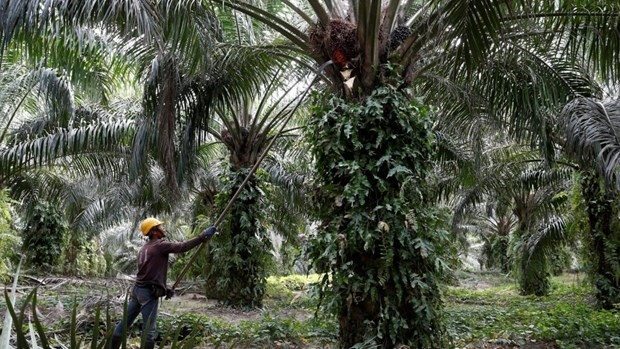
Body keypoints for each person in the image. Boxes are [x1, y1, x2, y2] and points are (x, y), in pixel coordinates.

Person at [109, 217, 216, 349]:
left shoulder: (144, 248)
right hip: (148, 293)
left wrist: (165, 289)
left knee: (124, 324)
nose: (163, 228)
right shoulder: (160, 246)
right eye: (160, 226)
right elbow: (183, 247)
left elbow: (150, 274)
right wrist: (202, 236)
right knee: (149, 332)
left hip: (137, 291)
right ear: (154, 231)